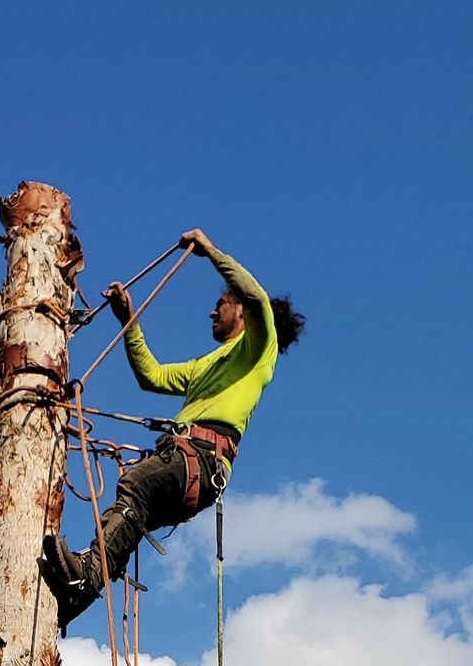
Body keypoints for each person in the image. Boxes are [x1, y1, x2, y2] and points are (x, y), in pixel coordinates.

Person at [42, 228, 304, 622]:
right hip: (185, 456)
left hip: (202, 457)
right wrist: (128, 321)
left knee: (136, 485)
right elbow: (153, 377)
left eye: (221, 303)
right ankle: (80, 593)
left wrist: (212, 251)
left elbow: (256, 297)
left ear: (241, 313)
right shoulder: (206, 365)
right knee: (133, 508)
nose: (212, 311)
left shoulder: (258, 351)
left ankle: (87, 577)